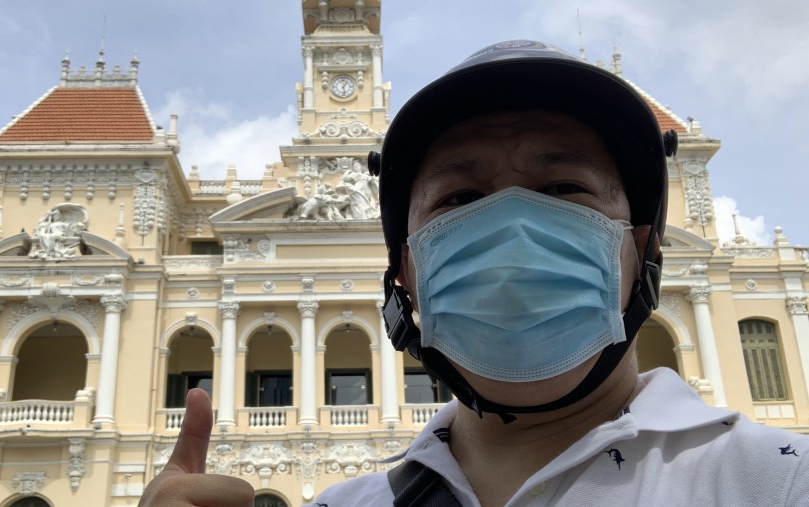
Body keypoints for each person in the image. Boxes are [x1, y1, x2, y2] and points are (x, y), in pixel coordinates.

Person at [140, 40, 809, 507]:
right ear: (405, 271)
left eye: (563, 187)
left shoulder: (781, 483)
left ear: (644, 250)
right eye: (460, 199)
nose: (514, 228)